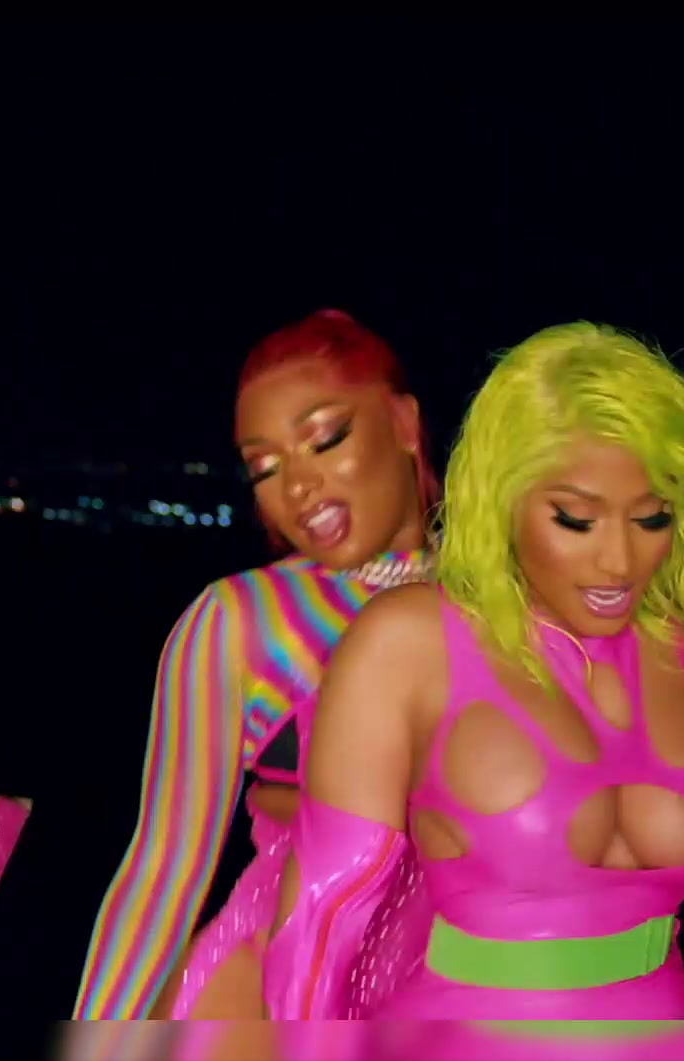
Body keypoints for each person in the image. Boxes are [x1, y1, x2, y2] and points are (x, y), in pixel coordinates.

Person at [263, 322, 684, 1034]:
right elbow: (323, 913)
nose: (619, 560)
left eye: (652, 518)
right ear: (504, 501)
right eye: (576, 520)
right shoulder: (411, 639)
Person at [70, 309, 439, 1022]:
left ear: (403, 422)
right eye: (265, 468)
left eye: (325, 439)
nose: (297, 486)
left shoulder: (503, 601)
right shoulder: (245, 619)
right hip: (271, 1000)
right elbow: (163, 870)